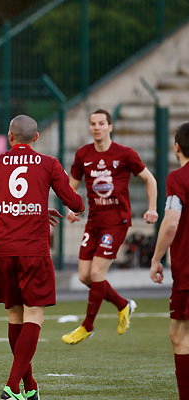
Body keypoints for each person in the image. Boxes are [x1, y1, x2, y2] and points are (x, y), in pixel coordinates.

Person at [0, 115, 84, 400]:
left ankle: (30, 387)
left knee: (15, 315)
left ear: (9, 136)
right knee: (34, 314)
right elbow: (75, 203)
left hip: (2, 249)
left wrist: (26, 211)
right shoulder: (49, 163)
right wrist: (37, 209)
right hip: (33, 250)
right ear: (36, 138)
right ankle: (12, 386)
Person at [61, 109, 158, 345]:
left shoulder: (124, 154)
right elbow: (71, 186)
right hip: (94, 222)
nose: (97, 127)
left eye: (101, 123)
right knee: (85, 276)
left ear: (110, 127)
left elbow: (150, 179)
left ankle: (87, 326)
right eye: (93, 123)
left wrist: (152, 208)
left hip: (116, 223)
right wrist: (70, 209)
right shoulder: (83, 154)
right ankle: (123, 305)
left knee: (96, 274)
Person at [150, 122, 189, 400]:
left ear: (176, 146)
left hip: (188, 272)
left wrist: (156, 258)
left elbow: (172, 222)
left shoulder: (178, 178)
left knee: (179, 334)